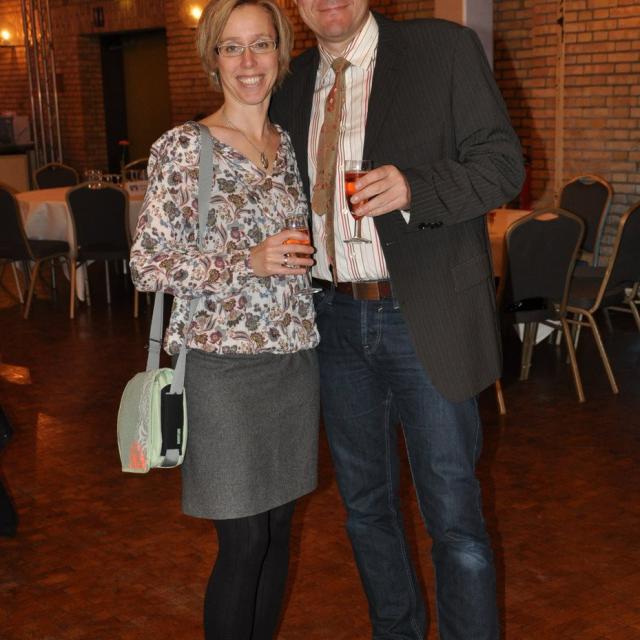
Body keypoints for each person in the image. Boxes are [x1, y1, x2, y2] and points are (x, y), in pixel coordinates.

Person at [270, 2, 524, 639]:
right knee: (365, 510)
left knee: (454, 516)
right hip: (332, 318)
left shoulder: (442, 50)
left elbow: (504, 168)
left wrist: (416, 188)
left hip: (424, 316)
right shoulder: (290, 82)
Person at [130, 1, 319, 638]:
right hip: (221, 372)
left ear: (281, 53)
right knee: (243, 542)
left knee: (279, 532)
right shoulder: (186, 148)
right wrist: (247, 260)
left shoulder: (288, 147)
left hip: (293, 363)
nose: (248, 61)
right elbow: (147, 264)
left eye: (260, 44)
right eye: (231, 47)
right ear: (213, 59)